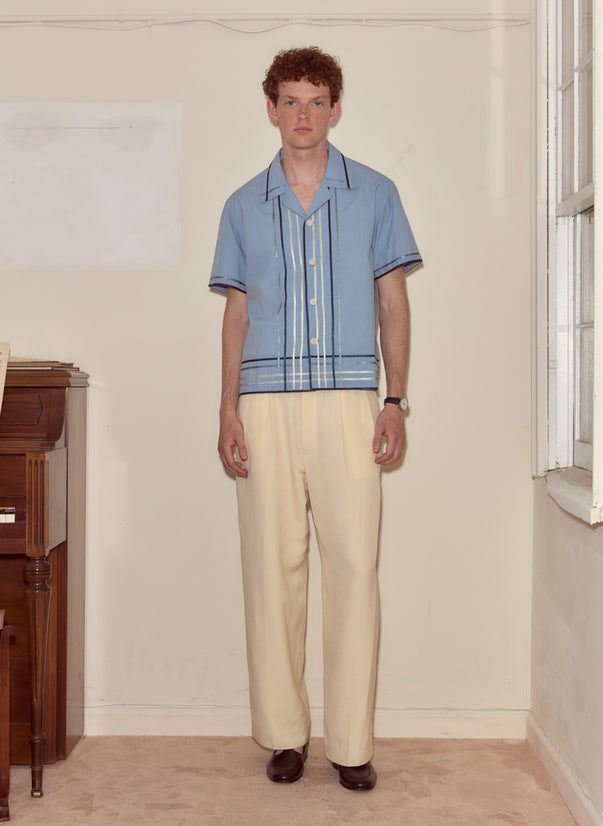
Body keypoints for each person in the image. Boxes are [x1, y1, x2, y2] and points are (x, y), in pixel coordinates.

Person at [210, 46, 421, 791]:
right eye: (289, 101)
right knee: (273, 572)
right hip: (263, 406)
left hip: (347, 403)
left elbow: (393, 302)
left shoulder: (377, 194)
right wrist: (228, 408)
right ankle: (285, 735)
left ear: (336, 108)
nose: (302, 114)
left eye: (316, 100)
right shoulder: (242, 205)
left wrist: (394, 399)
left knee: (356, 570)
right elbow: (236, 313)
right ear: (271, 109)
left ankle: (353, 744)